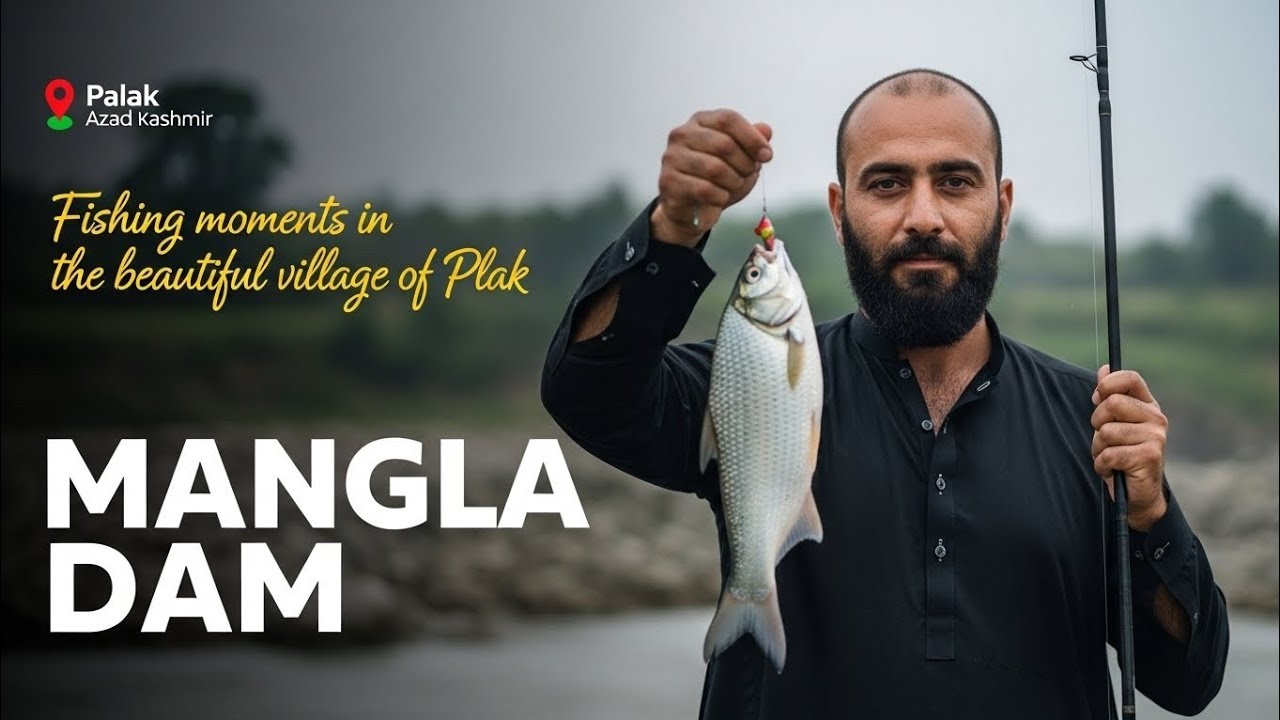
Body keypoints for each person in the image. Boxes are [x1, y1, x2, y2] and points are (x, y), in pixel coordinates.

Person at [540, 68, 1229, 719]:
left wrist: (1152, 515)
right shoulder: (750, 382)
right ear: (840, 211)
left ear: (1003, 205)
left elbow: (1189, 680)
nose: (922, 215)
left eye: (956, 182)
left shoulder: (1092, 422)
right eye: (888, 184)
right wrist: (675, 225)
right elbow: (589, 391)